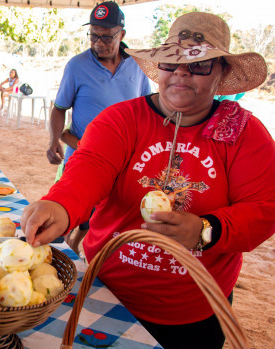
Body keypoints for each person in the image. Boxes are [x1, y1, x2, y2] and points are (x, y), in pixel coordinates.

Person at [21, 12, 274, 349]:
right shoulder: (122, 120)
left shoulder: (242, 132)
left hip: (196, 308)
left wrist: (204, 229)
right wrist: (61, 204)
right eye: (171, 63)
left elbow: (265, 206)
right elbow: (89, 167)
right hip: (108, 294)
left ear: (221, 72)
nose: (181, 73)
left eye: (199, 65)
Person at [47, 1, 151, 253]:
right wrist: (54, 141)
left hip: (124, 164)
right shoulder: (77, 66)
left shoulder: (139, 65)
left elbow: (147, 110)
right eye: (93, 36)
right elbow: (59, 108)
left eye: (106, 37)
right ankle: (71, 256)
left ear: (122, 34)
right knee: (71, 217)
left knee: (107, 222)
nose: (98, 43)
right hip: (84, 161)